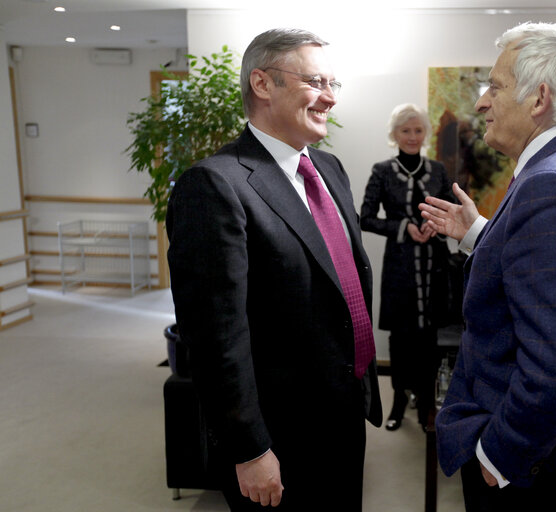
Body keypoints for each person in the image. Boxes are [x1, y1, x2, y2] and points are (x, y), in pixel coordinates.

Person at [418, 22, 556, 512]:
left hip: (535, 469)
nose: (481, 103)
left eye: (494, 87)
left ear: (539, 99)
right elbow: (550, 276)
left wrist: (498, 458)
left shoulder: (553, 185)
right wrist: (480, 234)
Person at [166, 28, 382, 511]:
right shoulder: (214, 185)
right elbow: (214, 337)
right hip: (279, 434)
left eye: (334, 84)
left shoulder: (330, 169)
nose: (329, 97)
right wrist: (250, 448)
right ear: (263, 84)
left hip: (343, 409)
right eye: (315, 80)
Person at [360, 103, 454, 432]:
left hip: (433, 269)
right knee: (400, 339)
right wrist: (403, 228)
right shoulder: (382, 171)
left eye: (417, 130)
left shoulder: (439, 171)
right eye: (405, 130)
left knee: (429, 338)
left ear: (425, 133)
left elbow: (452, 211)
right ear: (394, 135)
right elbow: (366, 218)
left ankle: (427, 402)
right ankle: (399, 399)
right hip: (399, 269)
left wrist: (436, 225)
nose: (412, 136)